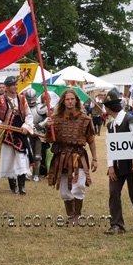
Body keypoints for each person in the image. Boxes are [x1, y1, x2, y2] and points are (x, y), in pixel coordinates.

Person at [44, 89, 97, 223]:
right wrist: (48, 127)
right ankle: (70, 215)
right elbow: (48, 139)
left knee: (79, 185)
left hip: (78, 155)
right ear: (63, 101)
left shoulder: (85, 119)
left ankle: (77, 215)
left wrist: (95, 158)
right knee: (65, 189)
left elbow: (91, 140)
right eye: (67, 99)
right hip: (62, 156)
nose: (70, 101)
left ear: (76, 101)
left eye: (72, 99)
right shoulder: (55, 119)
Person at [103, 90, 133, 235]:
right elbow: (109, 147)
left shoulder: (130, 120)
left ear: (109, 108)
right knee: (114, 193)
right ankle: (117, 225)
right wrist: (110, 166)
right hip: (117, 166)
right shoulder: (110, 126)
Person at [0, 76, 33, 194]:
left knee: (22, 157)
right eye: (13, 85)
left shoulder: (22, 99)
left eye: (16, 84)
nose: (16, 86)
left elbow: (29, 115)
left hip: (20, 133)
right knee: (8, 159)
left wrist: (26, 127)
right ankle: (13, 187)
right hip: (6, 133)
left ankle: (22, 187)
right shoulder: (0, 100)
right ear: (7, 87)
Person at [25, 88, 49, 182]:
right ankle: (26, 173)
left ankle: (36, 175)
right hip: (27, 132)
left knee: (37, 156)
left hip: (38, 133)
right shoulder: (24, 107)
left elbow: (47, 117)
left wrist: (40, 125)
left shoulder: (41, 107)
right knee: (26, 154)